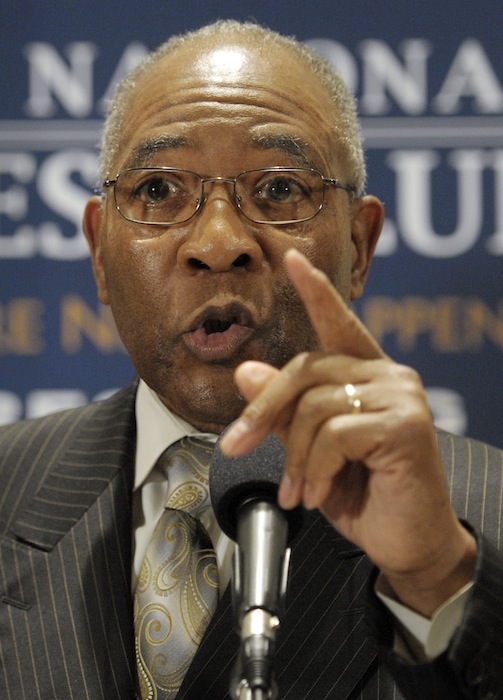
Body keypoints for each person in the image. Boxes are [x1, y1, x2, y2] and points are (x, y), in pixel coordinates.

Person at [0, 19, 502, 700]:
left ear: (358, 247)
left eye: (278, 189)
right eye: (156, 191)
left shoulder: (482, 515)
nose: (217, 241)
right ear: (98, 252)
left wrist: (436, 581)